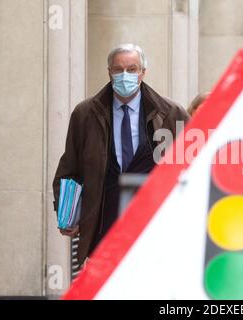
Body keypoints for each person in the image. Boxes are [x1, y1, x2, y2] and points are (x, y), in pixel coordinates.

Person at [53, 44, 190, 266]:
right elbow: (70, 167)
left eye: (132, 69)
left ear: (142, 72)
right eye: (118, 69)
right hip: (103, 225)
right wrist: (66, 212)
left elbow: (193, 168)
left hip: (154, 226)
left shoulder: (172, 113)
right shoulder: (85, 114)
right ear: (109, 72)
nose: (124, 75)